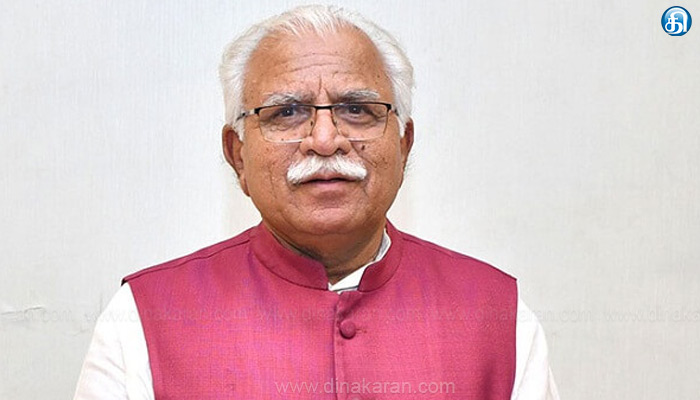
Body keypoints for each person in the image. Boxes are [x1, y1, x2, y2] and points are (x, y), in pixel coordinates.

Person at [74, 5, 559, 399]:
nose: (325, 140)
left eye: (357, 109)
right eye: (286, 112)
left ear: (404, 146)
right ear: (237, 155)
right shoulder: (143, 319)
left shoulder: (497, 315)